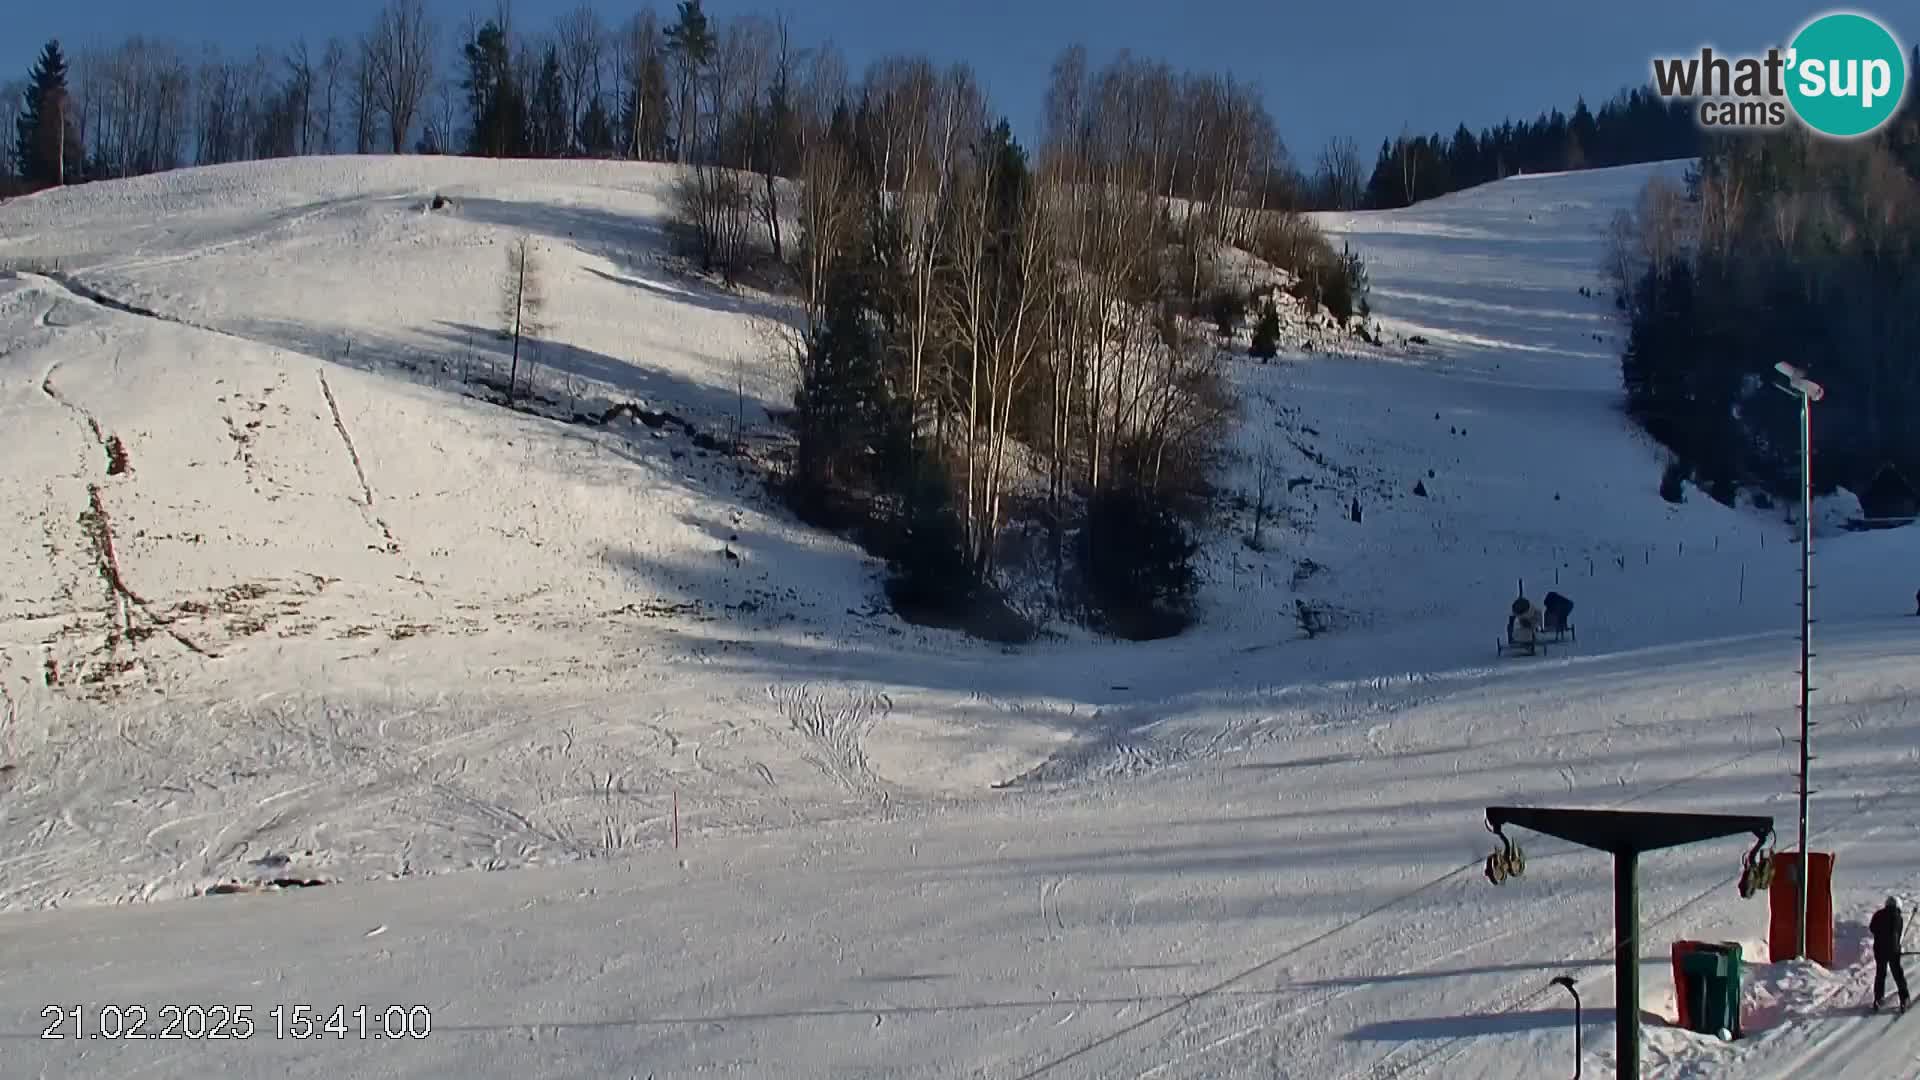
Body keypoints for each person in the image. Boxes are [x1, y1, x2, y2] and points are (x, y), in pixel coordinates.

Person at [1871, 896, 1910, 1013]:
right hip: (1893, 950)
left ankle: (1878, 998)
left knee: (1880, 974)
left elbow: (1872, 928)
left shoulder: (1878, 914)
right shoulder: (1898, 917)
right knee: (1898, 974)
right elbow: (1897, 933)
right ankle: (1904, 998)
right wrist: (1897, 947)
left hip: (1879, 949)